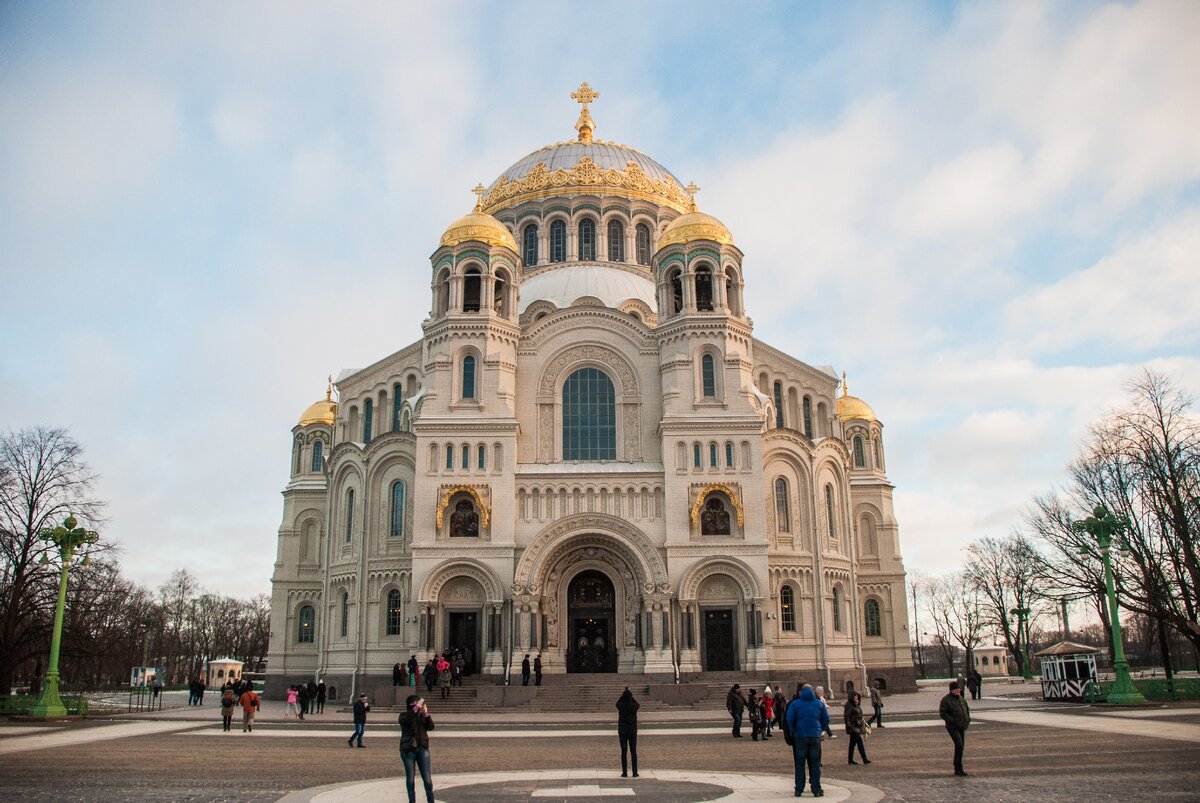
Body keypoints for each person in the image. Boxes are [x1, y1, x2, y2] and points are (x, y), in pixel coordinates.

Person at [786, 684, 829, 798]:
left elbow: (789, 718)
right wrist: (821, 729)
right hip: (815, 736)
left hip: (800, 736)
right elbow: (826, 719)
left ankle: (799, 789)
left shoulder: (795, 704)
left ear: (801, 693)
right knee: (815, 763)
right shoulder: (819, 703)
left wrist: (793, 730)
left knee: (800, 764)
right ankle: (816, 789)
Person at [399, 695, 435, 803]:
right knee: (410, 778)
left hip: (422, 748)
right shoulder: (404, 715)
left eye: (418, 702)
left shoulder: (421, 716)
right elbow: (410, 719)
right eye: (415, 702)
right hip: (408, 750)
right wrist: (416, 709)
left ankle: (431, 801)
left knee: (427, 779)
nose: (417, 704)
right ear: (410, 704)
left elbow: (431, 727)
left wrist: (426, 715)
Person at [939, 681, 970, 776]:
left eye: (959, 689)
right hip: (952, 727)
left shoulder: (961, 699)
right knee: (959, 745)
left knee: (960, 747)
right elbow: (943, 713)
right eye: (957, 689)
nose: (958, 690)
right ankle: (958, 768)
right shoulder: (946, 700)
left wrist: (968, 719)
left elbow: (966, 709)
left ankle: (958, 767)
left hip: (962, 725)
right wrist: (952, 721)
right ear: (952, 690)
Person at [616, 686, 639, 778]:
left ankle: (624, 772)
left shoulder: (621, 706)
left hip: (623, 731)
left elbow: (617, 703)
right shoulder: (634, 706)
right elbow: (636, 703)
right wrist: (630, 695)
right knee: (633, 751)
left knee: (624, 751)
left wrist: (624, 694)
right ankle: (634, 772)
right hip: (632, 731)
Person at [843, 691, 870, 765]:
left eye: (857, 696)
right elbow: (847, 716)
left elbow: (859, 714)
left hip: (857, 725)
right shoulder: (848, 705)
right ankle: (864, 758)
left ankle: (850, 759)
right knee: (859, 742)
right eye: (855, 696)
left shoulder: (856, 704)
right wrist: (849, 725)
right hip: (853, 726)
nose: (856, 697)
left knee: (852, 744)